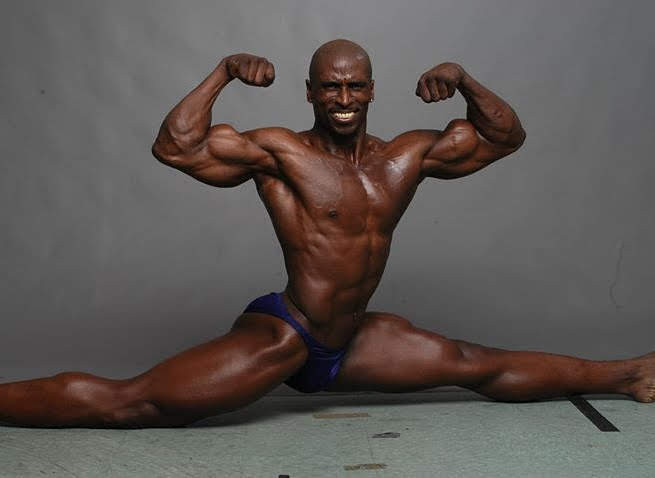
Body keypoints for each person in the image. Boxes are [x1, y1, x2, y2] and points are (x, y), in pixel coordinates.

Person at [2, 39, 653, 429]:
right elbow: (176, 147)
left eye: (354, 86)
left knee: (475, 364)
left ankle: (627, 374)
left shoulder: (404, 157)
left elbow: (503, 136)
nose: (343, 99)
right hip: (288, 333)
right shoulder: (280, 152)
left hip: (353, 341)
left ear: (371, 90)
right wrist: (224, 71)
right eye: (330, 88)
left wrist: (461, 79)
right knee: (131, 405)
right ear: (311, 93)